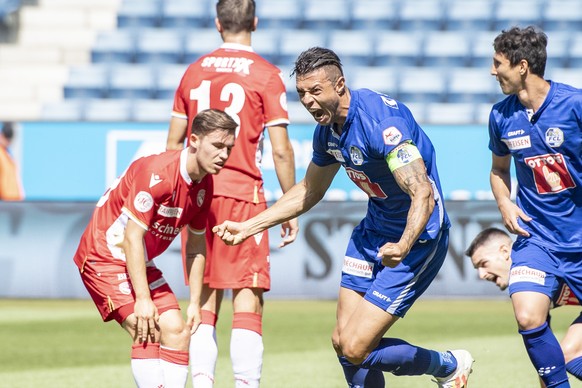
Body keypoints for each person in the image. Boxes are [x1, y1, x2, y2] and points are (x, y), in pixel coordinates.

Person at [213, 46, 474, 388]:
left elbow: (421, 193)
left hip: (416, 240)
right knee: (342, 341)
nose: (307, 101)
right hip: (373, 233)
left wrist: (403, 244)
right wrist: (250, 226)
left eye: (315, 91)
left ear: (340, 85)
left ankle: (448, 366)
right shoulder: (328, 132)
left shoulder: (381, 124)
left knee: (355, 346)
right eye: (302, 93)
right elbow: (310, 189)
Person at [165, 1, 297, 387]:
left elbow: (174, 144)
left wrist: (178, 201)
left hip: (198, 195)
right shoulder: (266, 75)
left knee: (203, 300)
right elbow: (281, 149)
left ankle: (203, 381)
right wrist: (289, 205)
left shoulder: (194, 72)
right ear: (254, 22)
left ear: (217, 24)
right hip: (243, 195)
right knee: (248, 296)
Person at [73, 109, 237, 388]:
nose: (224, 155)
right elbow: (132, 237)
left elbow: (196, 246)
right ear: (194, 140)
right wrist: (143, 299)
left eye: (229, 148)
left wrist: (195, 301)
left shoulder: (204, 185)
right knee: (145, 326)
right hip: (104, 254)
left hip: (136, 258)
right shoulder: (158, 173)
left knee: (177, 330)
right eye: (218, 146)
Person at [488, 26, 582, 388]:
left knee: (572, 352)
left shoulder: (574, 105)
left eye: (498, 63)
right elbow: (498, 170)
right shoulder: (500, 116)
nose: (492, 71)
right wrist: (504, 203)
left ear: (522, 65)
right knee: (528, 316)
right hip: (537, 239)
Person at [466, 227, 582, 387]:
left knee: (569, 352)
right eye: (477, 269)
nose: (481, 274)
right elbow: (545, 351)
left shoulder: (544, 262)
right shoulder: (529, 291)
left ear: (505, 251)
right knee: (568, 353)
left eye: (483, 264)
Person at [0, 121, 24, 200]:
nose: (8, 141)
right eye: (6, 136)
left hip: (13, 200)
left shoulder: (9, 158)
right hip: (4, 200)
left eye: (10, 138)